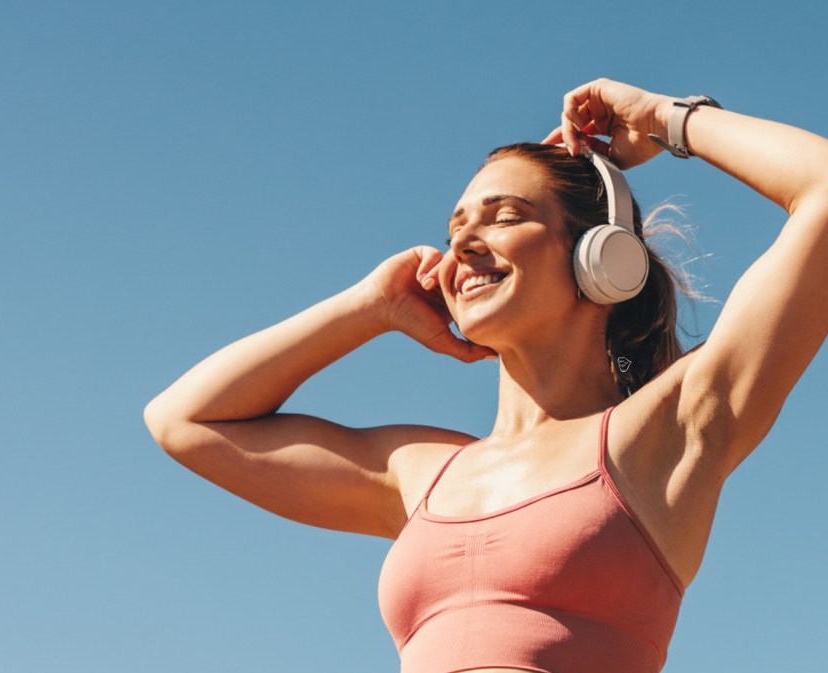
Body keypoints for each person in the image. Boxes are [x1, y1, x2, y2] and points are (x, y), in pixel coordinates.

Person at [142, 78, 828, 673]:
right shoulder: (422, 470)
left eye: (506, 217)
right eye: (455, 226)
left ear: (601, 258)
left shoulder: (665, 432)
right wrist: (368, 307)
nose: (465, 241)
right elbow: (185, 421)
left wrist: (665, 117)